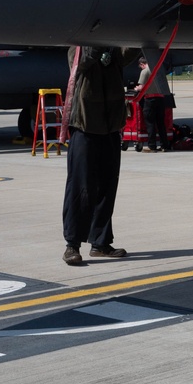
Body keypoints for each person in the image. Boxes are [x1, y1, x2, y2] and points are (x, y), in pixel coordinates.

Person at [61, 46, 132, 265]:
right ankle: (72, 245)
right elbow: (81, 61)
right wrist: (99, 39)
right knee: (81, 188)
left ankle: (100, 243)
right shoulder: (79, 46)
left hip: (110, 128)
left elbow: (128, 55)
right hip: (85, 127)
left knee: (107, 188)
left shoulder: (114, 47)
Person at [135, 56, 170, 152]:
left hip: (150, 99)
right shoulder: (159, 70)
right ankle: (165, 145)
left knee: (150, 123)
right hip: (161, 99)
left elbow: (141, 87)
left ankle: (152, 146)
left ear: (142, 64)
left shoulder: (145, 71)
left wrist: (136, 88)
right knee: (161, 123)